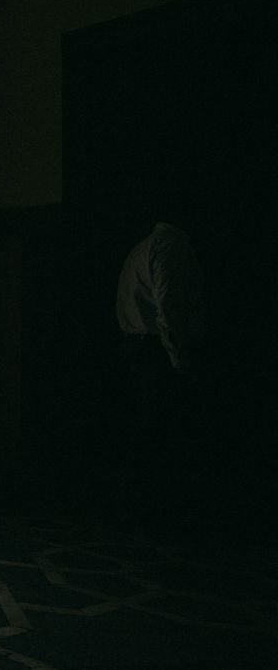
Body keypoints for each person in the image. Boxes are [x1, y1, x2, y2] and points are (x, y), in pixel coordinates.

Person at [114, 219, 206, 523]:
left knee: (145, 431)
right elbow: (170, 307)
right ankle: (157, 513)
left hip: (138, 348)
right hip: (155, 353)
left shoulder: (143, 248)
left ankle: (139, 509)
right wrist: (180, 360)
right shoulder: (171, 247)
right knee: (159, 433)